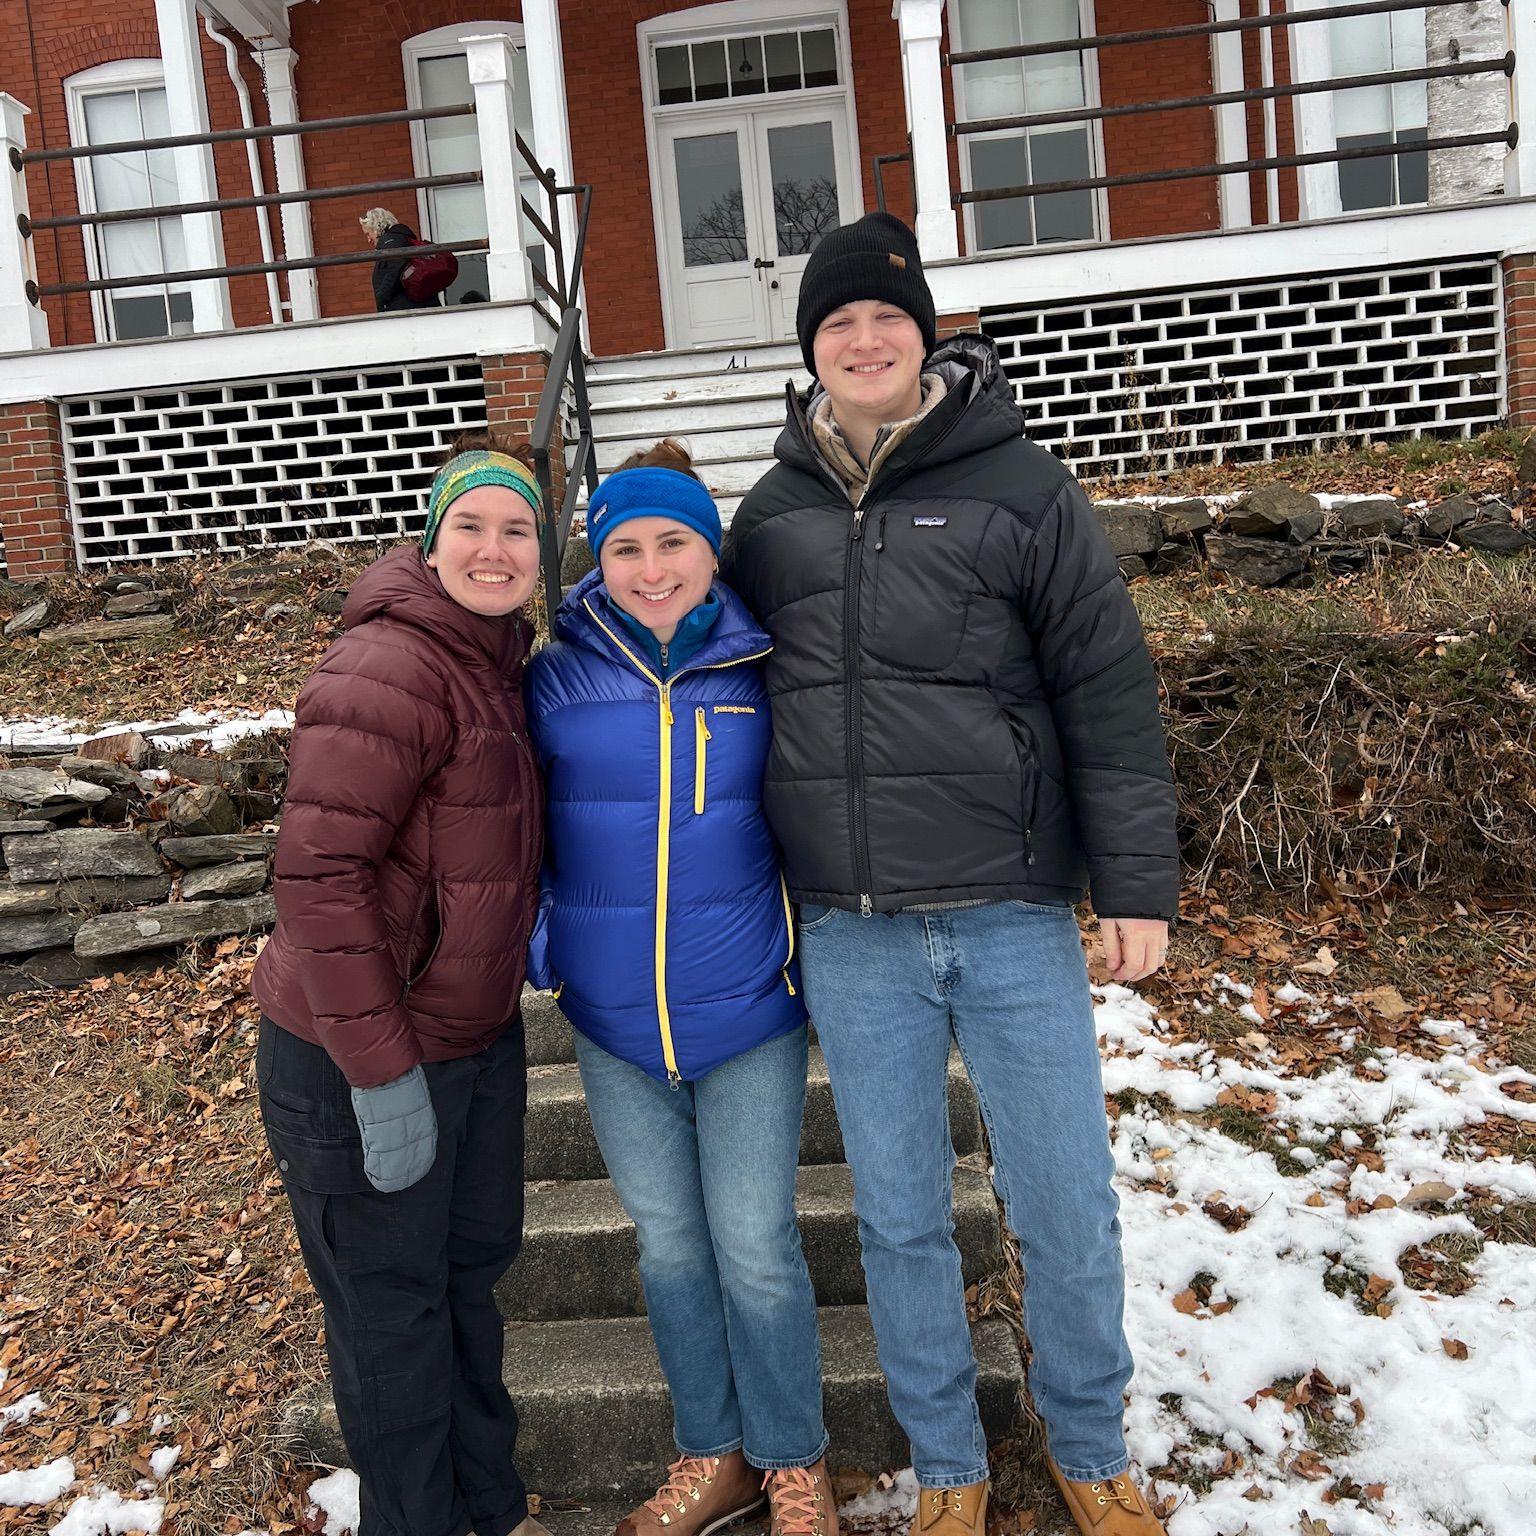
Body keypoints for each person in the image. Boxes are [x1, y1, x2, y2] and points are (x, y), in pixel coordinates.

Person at [720, 213, 1180, 1536]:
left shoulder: (1024, 487)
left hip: (1010, 908)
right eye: (836, 323)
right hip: (855, 931)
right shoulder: (773, 513)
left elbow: (1106, 688)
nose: (863, 340)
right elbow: (718, 682)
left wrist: (1134, 884)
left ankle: (1091, 1448)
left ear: (926, 335)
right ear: (812, 348)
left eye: (885, 318)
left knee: (1061, 1200)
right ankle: (951, 1465)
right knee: (903, 1220)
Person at [526, 441, 836, 1536]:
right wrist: (544, 944)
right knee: (668, 1247)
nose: (651, 568)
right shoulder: (555, 674)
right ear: (596, 558)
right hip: (613, 1027)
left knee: (755, 1245)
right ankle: (715, 1454)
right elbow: (502, 823)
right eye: (625, 547)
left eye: (675, 544)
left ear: (711, 552)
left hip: (748, 1011)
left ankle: (794, 1460)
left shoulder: (767, 665)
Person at [251, 435, 548, 1536]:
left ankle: (486, 1508)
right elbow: (318, 879)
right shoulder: (391, 665)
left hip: (469, 1045)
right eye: (469, 525)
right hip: (354, 1059)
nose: (493, 546)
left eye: (517, 528)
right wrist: (378, 1074)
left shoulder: (497, 661)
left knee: (465, 1290)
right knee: (392, 1320)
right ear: (430, 544)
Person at [361, 206, 441, 313]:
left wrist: (382, 296)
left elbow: (396, 266)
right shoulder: (402, 238)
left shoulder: (391, 241)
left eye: (368, 234)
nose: (368, 239)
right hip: (419, 306)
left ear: (376, 228)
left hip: (407, 310)